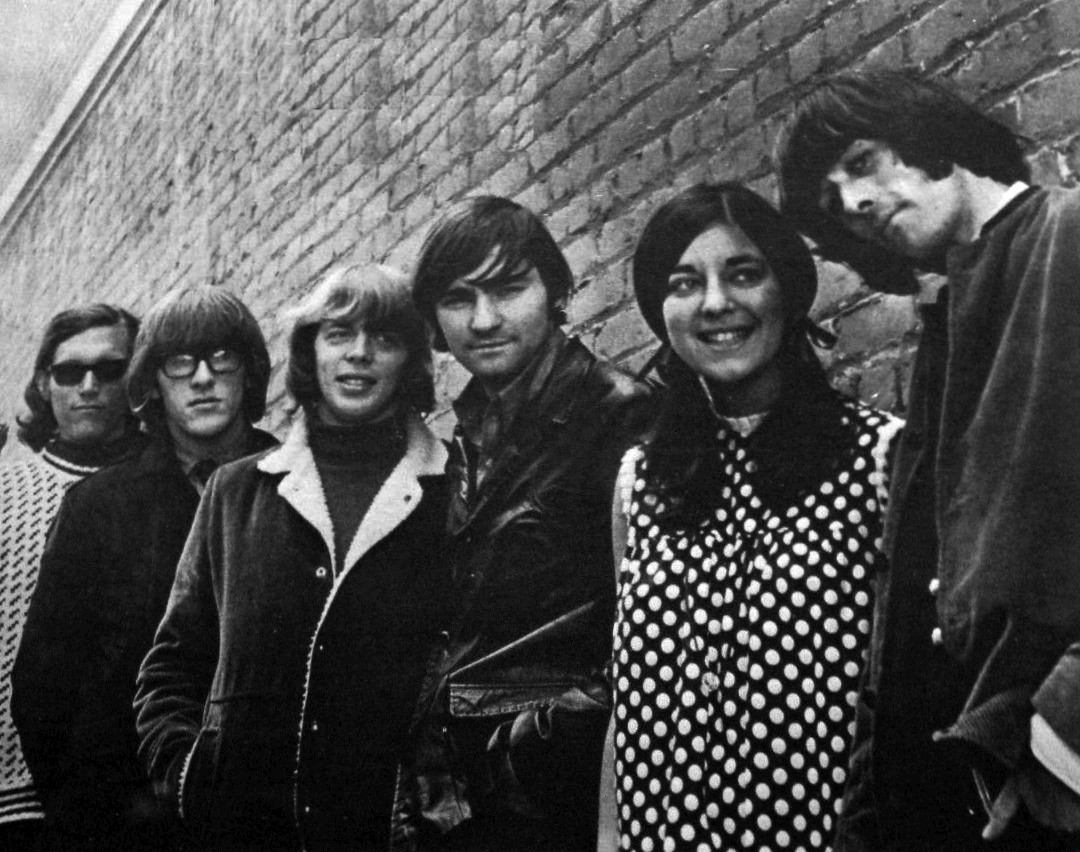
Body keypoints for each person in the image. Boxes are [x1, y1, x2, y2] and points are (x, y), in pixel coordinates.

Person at [776, 68, 1080, 851]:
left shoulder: (1068, 239)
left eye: (863, 162)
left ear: (925, 130)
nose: (853, 202)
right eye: (831, 200)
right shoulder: (942, 322)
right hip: (957, 781)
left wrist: (1061, 739)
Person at [602, 182, 901, 852]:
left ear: (787, 290)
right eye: (684, 283)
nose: (715, 303)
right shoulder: (641, 484)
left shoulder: (878, 459)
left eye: (743, 274)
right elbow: (627, 701)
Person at [134, 266, 452, 851]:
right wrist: (187, 778)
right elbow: (170, 668)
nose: (359, 353)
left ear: (411, 359)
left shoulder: (450, 491)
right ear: (309, 352)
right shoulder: (236, 491)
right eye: (338, 334)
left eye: (384, 338)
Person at [407, 196, 654, 851]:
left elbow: (654, 640)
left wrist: (526, 751)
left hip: (564, 800)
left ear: (555, 292)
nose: (484, 319)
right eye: (459, 298)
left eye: (509, 289)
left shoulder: (620, 415)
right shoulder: (465, 437)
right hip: (469, 803)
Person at [11, 284, 277, 852]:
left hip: (270, 816)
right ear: (151, 381)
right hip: (131, 825)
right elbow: (43, 688)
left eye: (222, 357)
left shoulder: (295, 484)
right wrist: (92, 817)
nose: (202, 378)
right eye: (179, 362)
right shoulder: (99, 506)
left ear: (250, 371)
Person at [0, 304, 143, 850]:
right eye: (68, 372)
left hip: (129, 806)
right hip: (11, 806)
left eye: (109, 369)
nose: (88, 386)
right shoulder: (6, 494)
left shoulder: (169, 491)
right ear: (44, 383)